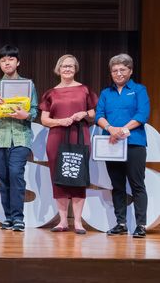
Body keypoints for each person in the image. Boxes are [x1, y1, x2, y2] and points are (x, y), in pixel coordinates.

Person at [39, 54, 97, 235]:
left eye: (71, 66)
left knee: (77, 177)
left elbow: (94, 113)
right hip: (57, 137)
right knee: (59, 179)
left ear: (75, 69)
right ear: (58, 69)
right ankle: (63, 221)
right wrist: (61, 121)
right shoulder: (50, 93)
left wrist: (84, 114)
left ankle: (78, 222)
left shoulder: (84, 90)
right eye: (64, 66)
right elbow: (44, 120)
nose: (67, 69)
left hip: (79, 135)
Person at [0, 44, 38, 232]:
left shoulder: (28, 84)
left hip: (21, 136)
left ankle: (18, 218)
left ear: (18, 62)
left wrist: (27, 115)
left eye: (10, 59)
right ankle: (8, 217)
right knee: (3, 177)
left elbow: (35, 110)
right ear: (0, 64)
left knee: (16, 174)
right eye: (3, 60)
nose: (7, 62)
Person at [95, 53, 150, 238]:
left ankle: (141, 225)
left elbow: (142, 115)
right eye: (114, 70)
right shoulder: (105, 93)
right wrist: (110, 129)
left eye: (122, 69)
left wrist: (122, 130)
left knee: (137, 185)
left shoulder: (139, 90)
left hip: (134, 143)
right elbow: (98, 115)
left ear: (130, 71)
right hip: (111, 145)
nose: (118, 73)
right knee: (117, 185)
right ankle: (121, 223)